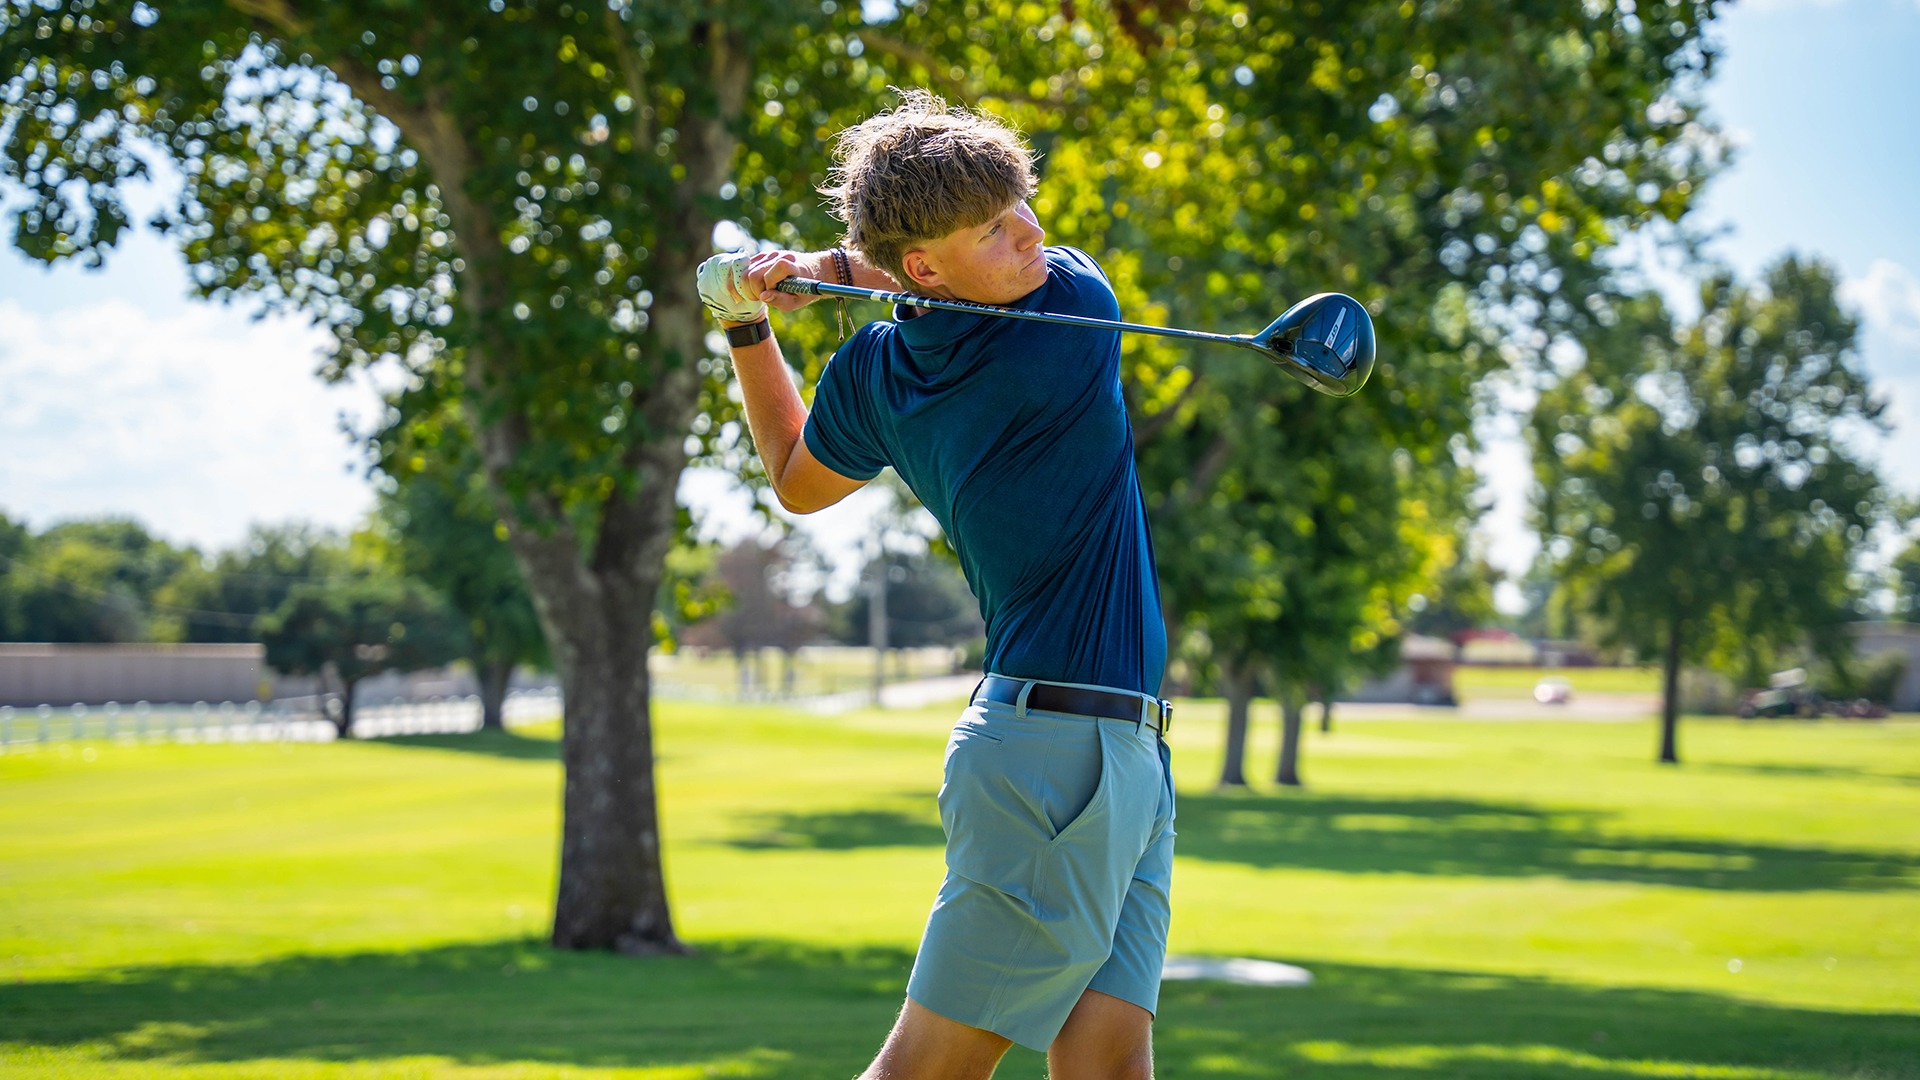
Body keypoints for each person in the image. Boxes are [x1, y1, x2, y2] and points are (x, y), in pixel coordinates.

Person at [696, 89, 1175, 1080]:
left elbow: (795, 477)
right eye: (997, 229)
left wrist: (753, 324)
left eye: (1024, 207)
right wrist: (820, 272)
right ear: (921, 264)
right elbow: (912, 280)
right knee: (923, 1071)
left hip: (1111, 753)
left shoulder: (874, 372)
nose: (1033, 235)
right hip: (1058, 758)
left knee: (1111, 1067)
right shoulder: (1070, 314)